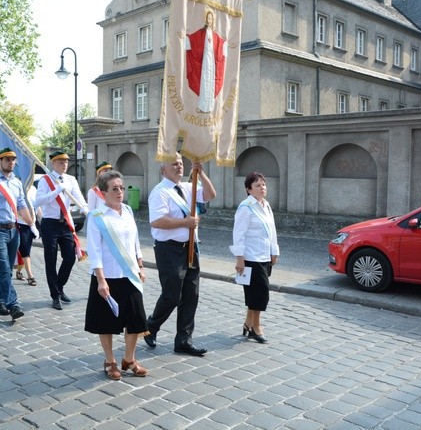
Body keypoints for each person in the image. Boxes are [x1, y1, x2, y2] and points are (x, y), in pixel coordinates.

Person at [144, 153, 216, 356]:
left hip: (190, 247)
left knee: (191, 295)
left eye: (181, 164)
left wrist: (201, 174)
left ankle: (184, 340)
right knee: (172, 295)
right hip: (169, 249)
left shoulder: (187, 187)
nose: (179, 167)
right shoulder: (160, 192)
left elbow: (210, 195)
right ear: (163, 170)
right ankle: (151, 326)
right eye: (174, 164)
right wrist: (185, 223)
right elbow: (157, 221)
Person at [85, 170, 148, 381]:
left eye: (122, 188)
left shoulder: (128, 210)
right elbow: (94, 250)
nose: (120, 192)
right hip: (108, 276)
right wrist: (100, 280)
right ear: (103, 193)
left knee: (136, 319)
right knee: (107, 321)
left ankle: (129, 359)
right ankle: (110, 361)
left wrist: (140, 265)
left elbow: (135, 241)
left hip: (129, 274)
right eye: (115, 189)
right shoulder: (96, 217)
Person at [0, 148, 36, 320]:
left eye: (13, 159)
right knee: (3, 270)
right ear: (0, 162)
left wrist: (32, 225)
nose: (11, 162)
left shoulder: (16, 182)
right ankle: (13, 304)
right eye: (7, 159)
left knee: (7, 271)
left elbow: (21, 205)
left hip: (13, 230)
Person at [35, 150, 88, 310]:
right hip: (50, 223)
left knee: (70, 257)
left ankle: (59, 286)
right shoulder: (46, 180)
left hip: (65, 222)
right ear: (53, 163)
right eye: (60, 162)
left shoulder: (71, 179)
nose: (64, 164)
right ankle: (55, 295)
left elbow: (78, 196)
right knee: (50, 259)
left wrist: (85, 208)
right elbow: (38, 201)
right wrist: (56, 191)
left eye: (66, 162)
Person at [231, 172, 279, 344]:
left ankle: (248, 323)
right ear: (248, 189)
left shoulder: (266, 206)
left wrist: (275, 251)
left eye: (263, 184)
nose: (262, 188)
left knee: (254, 293)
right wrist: (239, 258)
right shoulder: (246, 207)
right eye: (257, 185)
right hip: (251, 256)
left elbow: (272, 231)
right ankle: (256, 328)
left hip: (264, 256)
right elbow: (238, 234)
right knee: (261, 293)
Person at [15, 183, 39, 285]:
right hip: (19, 222)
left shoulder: (33, 189)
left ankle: (19, 271)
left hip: (31, 223)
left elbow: (36, 206)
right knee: (23, 248)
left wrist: (40, 223)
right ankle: (30, 275)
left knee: (27, 249)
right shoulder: (17, 187)